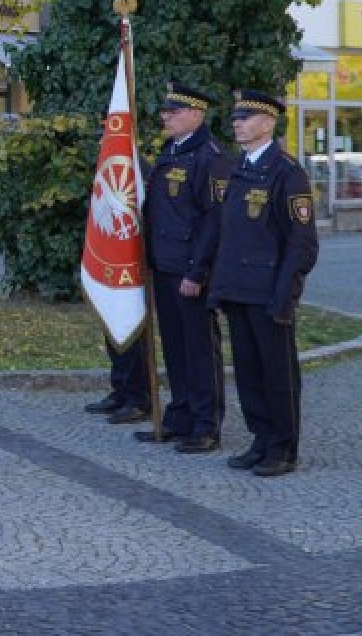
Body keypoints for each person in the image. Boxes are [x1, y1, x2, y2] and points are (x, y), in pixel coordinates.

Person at [208, 89, 319, 477]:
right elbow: (230, 235)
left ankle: (283, 447)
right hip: (239, 290)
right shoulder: (239, 169)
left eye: (246, 117)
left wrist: (285, 295)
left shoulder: (287, 173)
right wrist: (219, 288)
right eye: (236, 117)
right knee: (249, 371)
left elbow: (302, 244)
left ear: (268, 123)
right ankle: (260, 438)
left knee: (278, 374)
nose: (237, 123)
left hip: (269, 293)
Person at [137, 81, 231, 452]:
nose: (165, 117)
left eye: (173, 112)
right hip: (165, 263)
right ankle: (180, 415)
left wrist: (197, 271)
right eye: (165, 111)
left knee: (199, 349)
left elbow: (213, 220)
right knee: (175, 345)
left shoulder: (210, 156)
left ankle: (206, 425)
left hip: (190, 269)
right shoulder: (171, 150)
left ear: (195, 114)